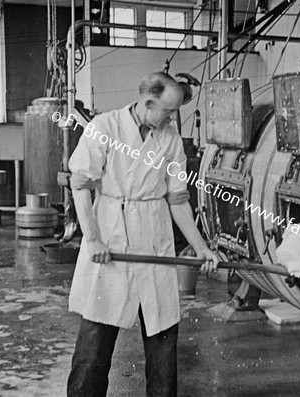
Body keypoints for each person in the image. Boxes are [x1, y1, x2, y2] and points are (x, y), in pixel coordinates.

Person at [66, 72, 219, 397]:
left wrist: (201, 247)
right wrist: (92, 238)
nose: (172, 117)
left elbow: (178, 200)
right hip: (111, 236)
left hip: (154, 236)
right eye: (168, 110)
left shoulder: (171, 140)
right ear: (148, 103)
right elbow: (79, 183)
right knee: (95, 341)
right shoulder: (106, 128)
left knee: (163, 340)